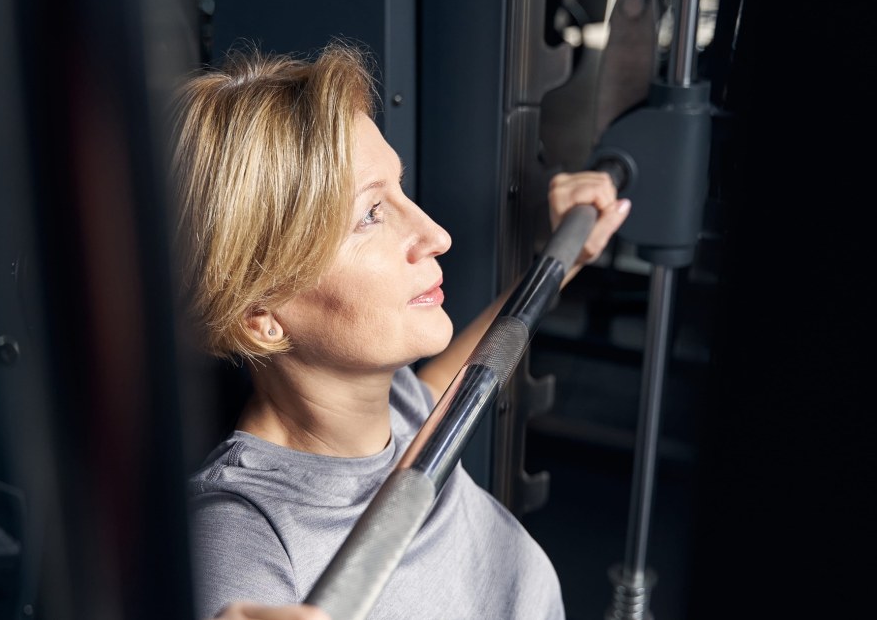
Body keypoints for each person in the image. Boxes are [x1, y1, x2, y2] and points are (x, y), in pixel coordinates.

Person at [170, 40, 629, 620]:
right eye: (370, 215)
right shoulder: (240, 533)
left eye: (400, 191)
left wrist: (566, 258)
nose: (436, 235)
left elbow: (456, 376)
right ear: (259, 315)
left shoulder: (400, 411)